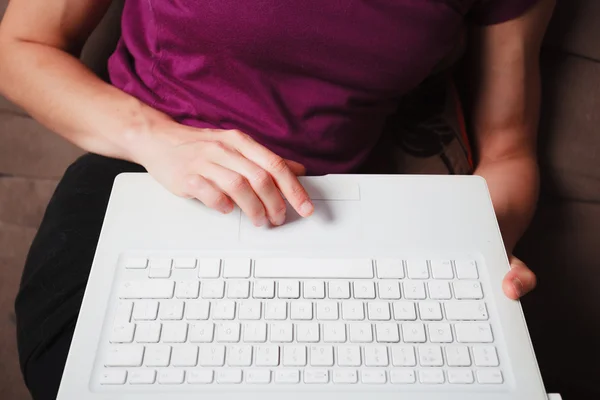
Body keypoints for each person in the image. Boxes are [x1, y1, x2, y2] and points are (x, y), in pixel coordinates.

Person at [0, 0, 555, 398]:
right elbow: (19, 47)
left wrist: (476, 245)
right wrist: (158, 140)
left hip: (331, 216)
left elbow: (508, 148)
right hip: (147, 174)